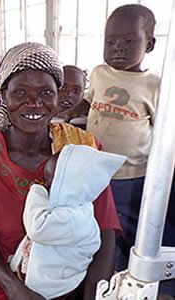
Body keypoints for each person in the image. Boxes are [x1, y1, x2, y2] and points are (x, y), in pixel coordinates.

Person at [0, 42, 121, 300]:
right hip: (3, 277)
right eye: (20, 92)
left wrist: (94, 294)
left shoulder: (82, 147)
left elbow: (105, 230)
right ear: (4, 95)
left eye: (46, 92)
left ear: (58, 96)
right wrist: (16, 290)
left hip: (74, 275)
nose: (34, 103)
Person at [84, 4, 174, 296]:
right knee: (101, 230)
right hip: (96, 174)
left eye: (128, 41)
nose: (117, 48)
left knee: (132, 231)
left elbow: (164, 131)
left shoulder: (156, 86)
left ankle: (135, 281)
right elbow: (87, 104)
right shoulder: (99, 74)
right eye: (110, 42)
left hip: (133, 175)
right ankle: (104, 280)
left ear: (149, 44)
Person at [9, 145, 126, 299]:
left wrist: (37, 191)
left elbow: (36, 227)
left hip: (52, 290)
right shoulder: (73, 208)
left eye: (50, 181)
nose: (46, 185)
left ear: (72, 186)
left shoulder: (74, 218)